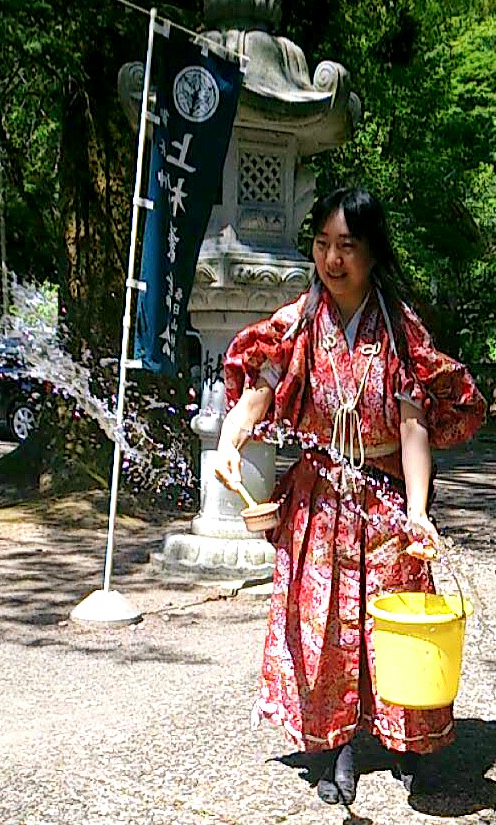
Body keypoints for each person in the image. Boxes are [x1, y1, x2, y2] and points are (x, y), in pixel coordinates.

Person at [215, 188, 486, 805]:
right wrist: (231, 438)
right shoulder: (299, 322)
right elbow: (259, 390)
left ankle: (407, 742)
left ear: (372, 252)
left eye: (347, 246)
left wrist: (417, 511)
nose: (332, 260)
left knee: (397, 622)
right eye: (322, 244)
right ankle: (333, 746)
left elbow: (413, 425)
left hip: (385, 497)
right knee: (325, 624)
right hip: (319, 498)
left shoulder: (399, 330)